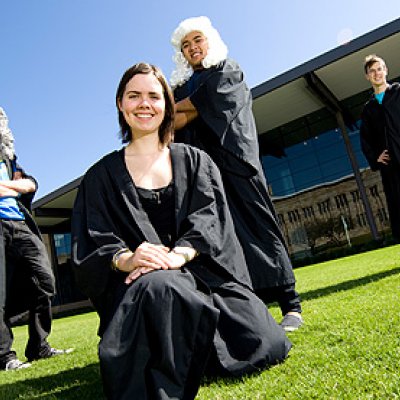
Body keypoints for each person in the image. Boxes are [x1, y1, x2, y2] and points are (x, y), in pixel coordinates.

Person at [71, 62, 291, 400]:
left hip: (205, 276)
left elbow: (210, 218)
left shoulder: (196, 161)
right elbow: (93, 236)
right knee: (162, 288)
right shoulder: (99, 177)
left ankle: (179, 350)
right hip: (144, 284)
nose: (144, 104)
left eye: (154, 96)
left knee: (267, 340)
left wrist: (179, 255)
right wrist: (129, 259)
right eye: (134, 96)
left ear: (166, 105)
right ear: (120, 104)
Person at [170, 16, 302, 331]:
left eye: (197, 40)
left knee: (260, 229)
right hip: (203, 174)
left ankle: (291, 305)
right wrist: (187, 109)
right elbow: (171, 121)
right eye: (186, 45)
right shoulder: (179, 86)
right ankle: (251, 312)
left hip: (236, 164)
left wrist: (186, 110)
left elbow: (202, 107)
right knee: (225, 242)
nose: (192, 48)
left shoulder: (228, 70)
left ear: (210, 40)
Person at [0, 107, 72, 371]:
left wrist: (11, 187)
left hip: (19, 224)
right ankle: (5, 357)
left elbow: (31, 183)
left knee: (45, 280)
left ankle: (39, 346)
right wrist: (15, 188)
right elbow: (23, 186)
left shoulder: (9, 159)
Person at [360, 54, 400, 242]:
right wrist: (376, 156)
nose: (377, 73)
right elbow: (365, 139)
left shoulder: (399, 93)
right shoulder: (369, 108)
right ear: (367, 76)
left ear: (386, 70)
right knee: (397, 204)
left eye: (379, 69)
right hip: (391, 166)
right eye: (372, 71)